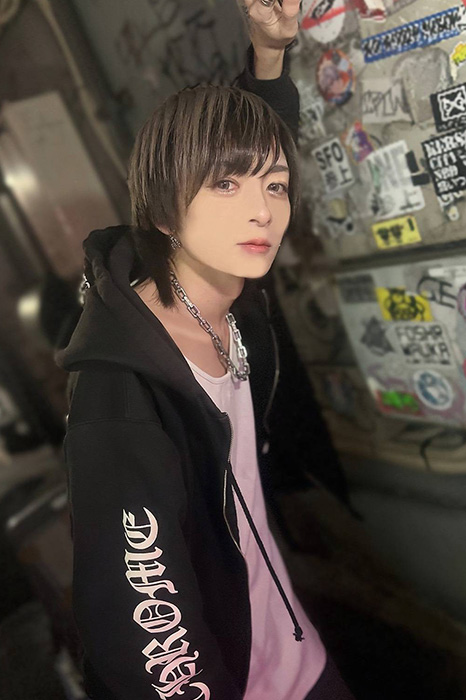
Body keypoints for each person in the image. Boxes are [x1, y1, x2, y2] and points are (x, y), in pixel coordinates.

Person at [58, 1, 355, 698]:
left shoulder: (227, 289)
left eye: (276, 187)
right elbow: (141, 623)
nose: (262, 210)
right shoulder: (123, 392)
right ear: (165, 212)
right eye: (225, 185)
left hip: (299, 653)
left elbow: (250, 149)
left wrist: (268, 54)